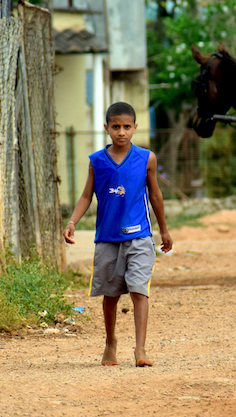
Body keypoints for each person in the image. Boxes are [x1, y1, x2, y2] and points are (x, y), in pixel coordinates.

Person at [63, 102, 172, 367]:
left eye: (126, 127)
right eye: (115, 127)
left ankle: (140, 349)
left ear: (135, 127)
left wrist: (164, 230)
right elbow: (87, 195)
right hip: (107, 239)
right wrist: (72, 221)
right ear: (106, 129)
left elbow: (155, 195)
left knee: (139, 290)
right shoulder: (97, 161)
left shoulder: (147, 158)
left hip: (140, 236)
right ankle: (110, 342)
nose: (121, 132)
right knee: (110, 294)